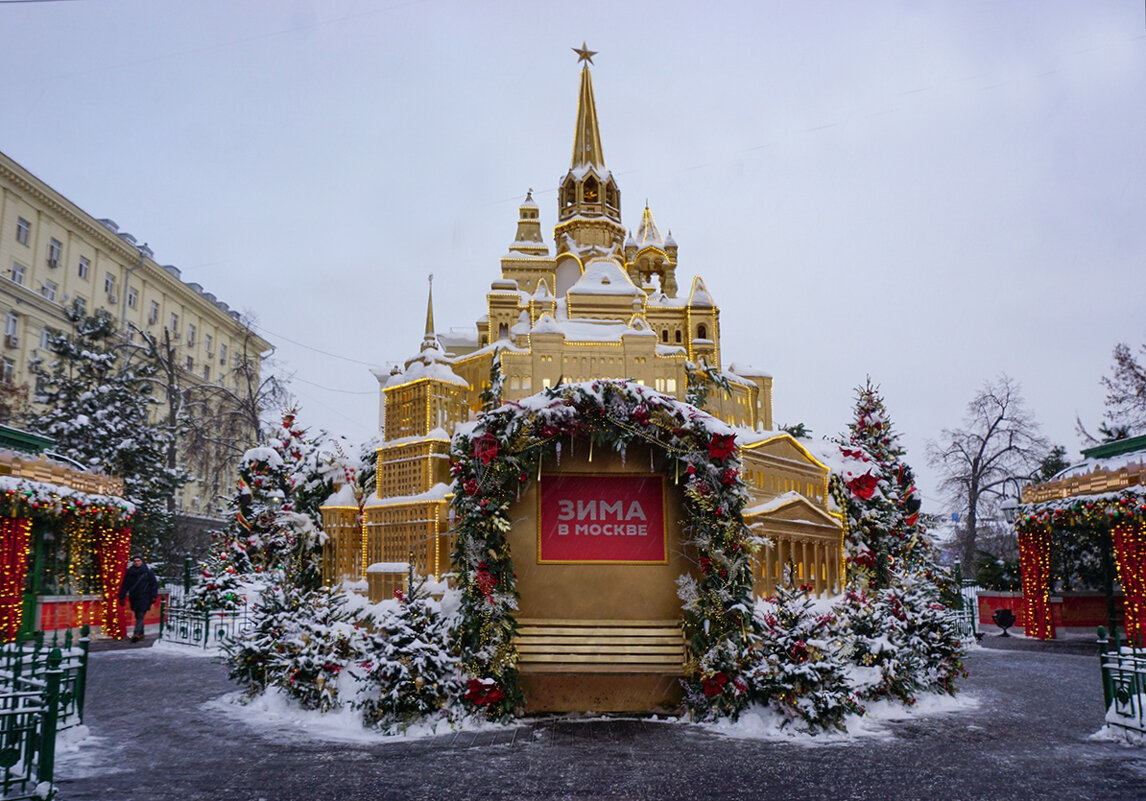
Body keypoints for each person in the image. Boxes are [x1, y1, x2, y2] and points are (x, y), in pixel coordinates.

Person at [118, 555, 158, 643]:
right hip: (134, 596)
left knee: (140, 615)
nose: (136, 562)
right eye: (135, 561)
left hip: (145, 596)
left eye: (138, 561)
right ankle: (141, 634)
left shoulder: (148, 571)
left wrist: (154, 596)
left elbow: (154, 584)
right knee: (138, 615)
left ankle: (136, 633)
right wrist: (122, 596)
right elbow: (125, 585)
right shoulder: (130, 572)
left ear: (142, 562)